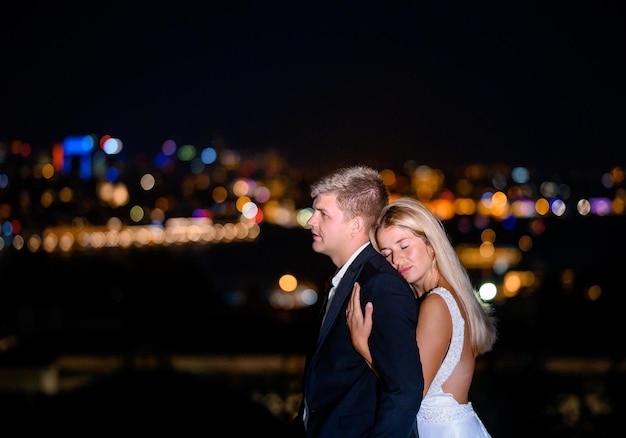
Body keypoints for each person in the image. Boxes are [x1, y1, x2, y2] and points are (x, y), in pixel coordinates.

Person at [347, 197, 497, 437]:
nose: (397, 260)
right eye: (387, 254)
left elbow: (411, 391)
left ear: (430, 242)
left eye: (404, 246)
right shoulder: (446, 297)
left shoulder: (436, 303)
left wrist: (362, 346)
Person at [292, 166, 423, 437]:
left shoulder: (382, 287)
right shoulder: (350, 278)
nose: (310, 221)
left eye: (323, 214)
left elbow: (405, 389)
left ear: (355, 225)